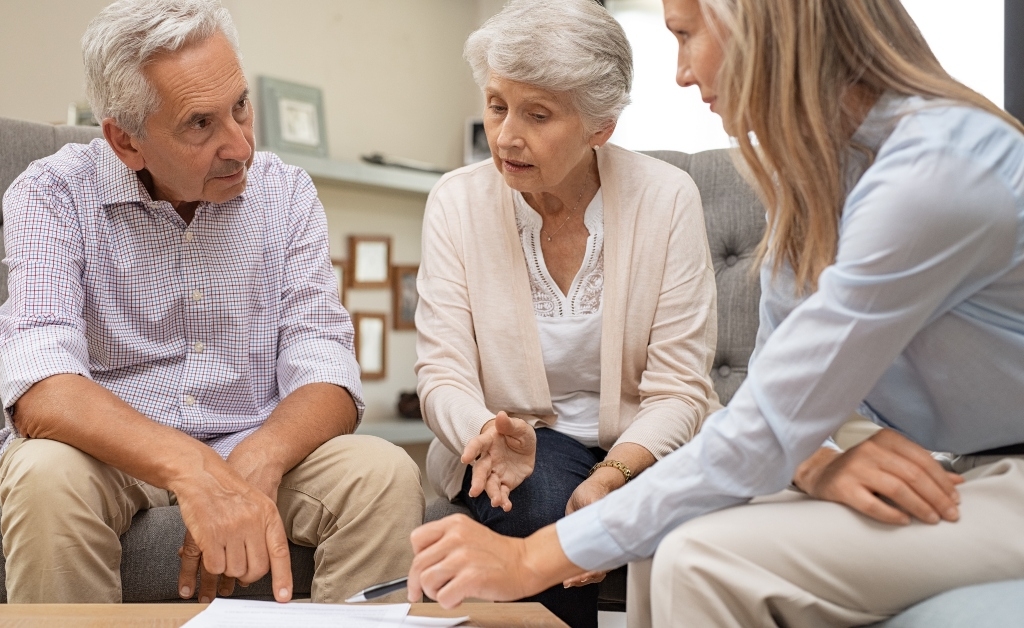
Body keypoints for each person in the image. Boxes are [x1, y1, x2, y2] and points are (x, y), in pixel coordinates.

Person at [407, 0, 1024, 625]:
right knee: (667, 541)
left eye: (684, 35)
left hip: (1006, 476)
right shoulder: (811, 179)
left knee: (695, 558)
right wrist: (813, 460)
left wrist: (534, 559)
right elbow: (776, 388)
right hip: (960, 466)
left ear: (757, 26)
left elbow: (758, 415)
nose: (679, 73)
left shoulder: (933, 172)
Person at [0, 0, 423, 604]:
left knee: (383, 474)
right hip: (104, 458)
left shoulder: (287, 194)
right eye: (200, 124)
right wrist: (193, 471)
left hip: (253, 440)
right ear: (125, 141)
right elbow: (42, 386)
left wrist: (259, 458)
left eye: (240, 106)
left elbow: (327, 369)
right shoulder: (51, 195)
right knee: (44, 476)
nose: (240, 145)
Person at [414, 1, 719, 625]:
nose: (506, 137)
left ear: (599, 126)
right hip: (512, 449)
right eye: (498, 104)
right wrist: (488, 437)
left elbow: (680, 390)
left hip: (642, 448)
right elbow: (442, 374)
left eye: (539, 114)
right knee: (544, 492)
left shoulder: (667, 200)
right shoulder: (456, 202)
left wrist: (612, 475)